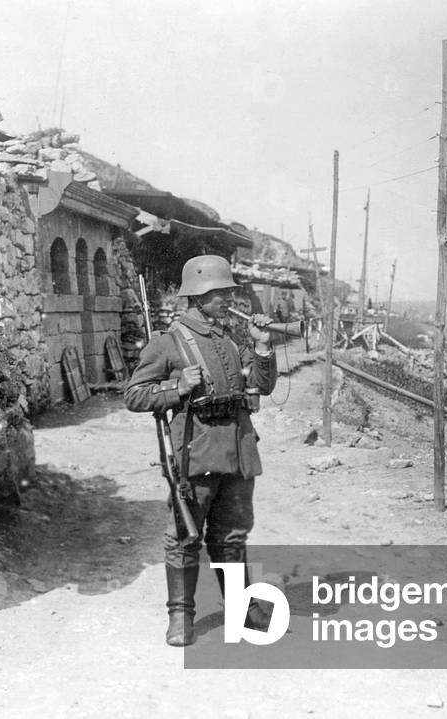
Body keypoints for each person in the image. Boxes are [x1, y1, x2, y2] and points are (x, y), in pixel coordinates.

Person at [124, 255, 277, 646]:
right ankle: (181, 617)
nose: (228, 299)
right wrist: (177, 389)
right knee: (184, 537)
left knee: (232, 536)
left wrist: (262, 348)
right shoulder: (168, 343)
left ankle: (242, 609)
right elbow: (134, 395)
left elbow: (264, 384)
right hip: (196, 453)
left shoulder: (228, 339)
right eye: (219, 293)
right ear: (196, 295)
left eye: (228, 292)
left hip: (239, 451)